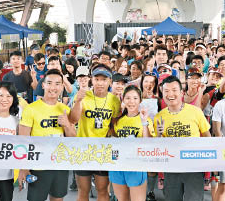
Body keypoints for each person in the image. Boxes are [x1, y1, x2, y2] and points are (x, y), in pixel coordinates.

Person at [18, 69, 76, 201]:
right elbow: (23, 140)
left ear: (62, 87)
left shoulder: (65, 109)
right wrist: (23, 168)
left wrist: (67, 125)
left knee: (57, 198)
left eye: (57, 84)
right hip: (38, 165)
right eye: (49, 83)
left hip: (59, 163)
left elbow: (73, 139)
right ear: (43, 85)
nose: (53, 87)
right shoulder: (31, 109)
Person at [69, 63, 121, 201]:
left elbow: (114, 125)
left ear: (110, 81)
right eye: (97, 79)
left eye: (104, 80)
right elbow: (73, 120)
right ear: (91, 79)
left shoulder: (114, 100)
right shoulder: (83, 95)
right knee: (83, 191)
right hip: (83, 149)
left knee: (103, 190)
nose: (100, 83)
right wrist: (78, 101)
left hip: (102, 150)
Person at [154, 76, 211, 201]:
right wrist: (158, 135)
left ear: (181, 93)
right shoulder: (159, 117)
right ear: (162, 94)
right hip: (171, 169)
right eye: (166, 91)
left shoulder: (195, 111)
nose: (170, 94)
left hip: (194, 168)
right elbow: (157, 146)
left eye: (174, 90)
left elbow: (207, 137)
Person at [108, 85, 154, 201]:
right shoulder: (118, 121)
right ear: (123, 99)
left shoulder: (145, 119)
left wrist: (144, 123)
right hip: (118, 167)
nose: (131, 101)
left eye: (135, 98)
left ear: (140, 100)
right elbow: (113, 144)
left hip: (136, 166)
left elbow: (148, 144)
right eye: (128, 98)